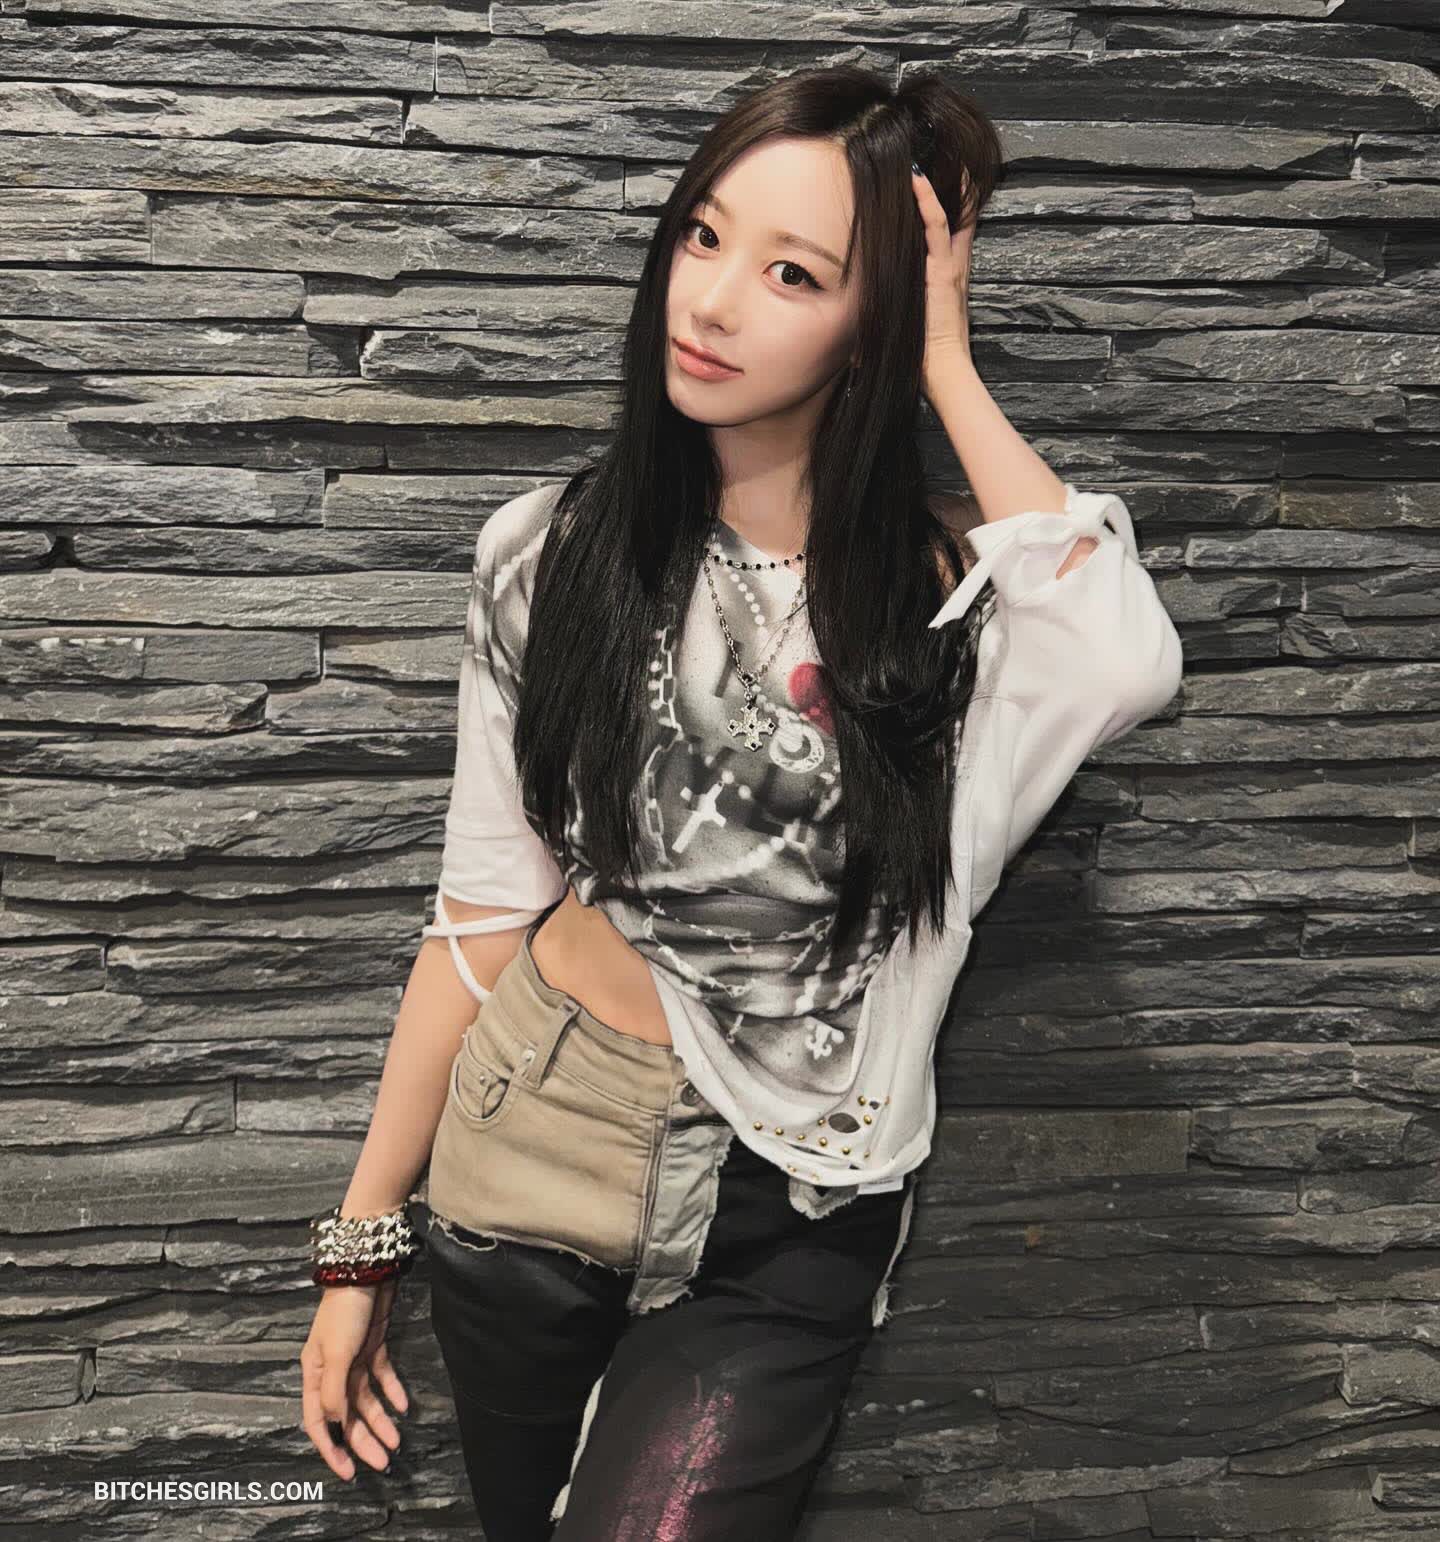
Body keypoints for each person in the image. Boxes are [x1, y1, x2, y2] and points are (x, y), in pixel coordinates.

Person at [299, 62, 1184, 1541]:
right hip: (528, 1140)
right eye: (702, 237)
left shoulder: (957, 605)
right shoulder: (546, 554)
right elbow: (479, 916)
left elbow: (1126, 657)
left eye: (793, 274)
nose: (709, 303)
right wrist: (358, 1242)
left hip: (790, 1201)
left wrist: (945, 357)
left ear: (868, 325)